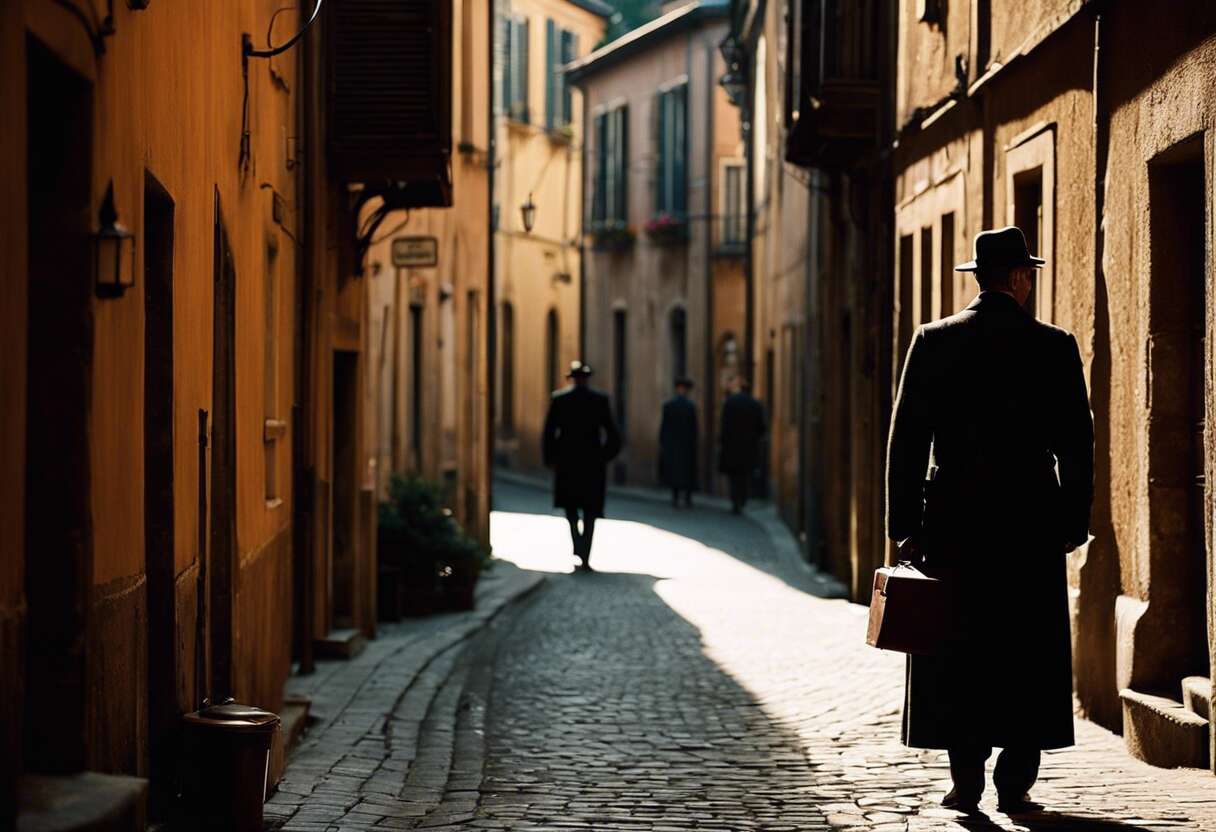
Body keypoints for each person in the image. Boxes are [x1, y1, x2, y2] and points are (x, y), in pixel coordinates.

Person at [886, 226, 1094, 814]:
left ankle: (965, 779)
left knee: (959, 648)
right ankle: (1016, 780)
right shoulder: (1055, 346)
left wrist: (904, 524)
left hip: (954, 519)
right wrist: (1072, 518)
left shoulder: (933, 341)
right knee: (1027, 647)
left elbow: (906, 444)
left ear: (979, 278)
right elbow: (1078, 444)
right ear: (1022, 278)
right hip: (1030, 518)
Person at [542, 361, 622, 570]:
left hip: (569, 461)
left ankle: (580, 546)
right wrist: (604, 456)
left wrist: (551, 459)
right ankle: (584, 551)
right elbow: (613, 434)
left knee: (574, 509)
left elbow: (549, 433)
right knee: (589, 510)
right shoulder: (598, 400)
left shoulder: (561, 400)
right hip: (590, 462)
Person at [718, 379, 766, 514]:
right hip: (749, 447)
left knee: (733, 476)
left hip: (731, 446)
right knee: (745, 475)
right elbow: (761, 427)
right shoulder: (755, 405)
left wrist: (722, 441)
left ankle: (735, 501)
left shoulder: (730, 403)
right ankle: (743, 499)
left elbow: (724, 425)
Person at [659, 376, 698, 508]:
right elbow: (694, 428)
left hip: (674, 444)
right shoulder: (690, 406)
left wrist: (664, 442)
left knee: (676, 471)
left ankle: (676, 497)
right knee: (686, 471)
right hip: (686, 444)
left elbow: (664, 427)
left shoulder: (669, 405)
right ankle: (686, 498)